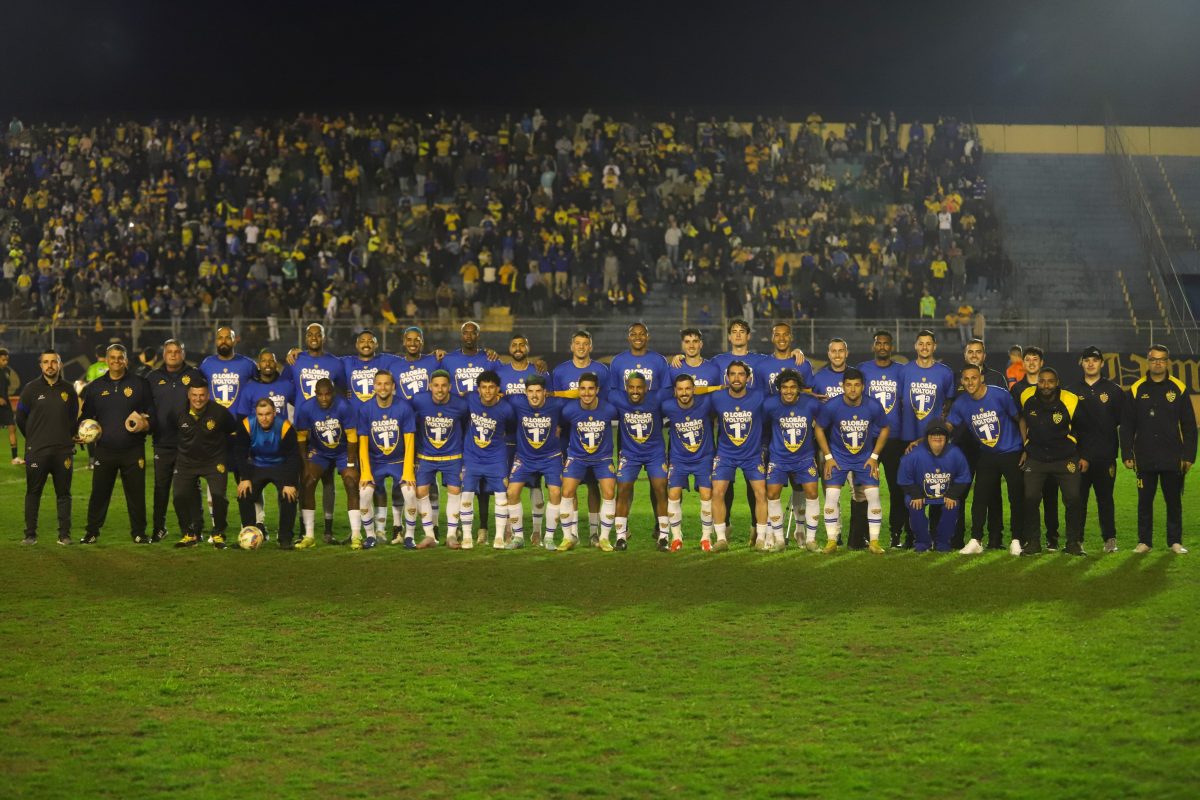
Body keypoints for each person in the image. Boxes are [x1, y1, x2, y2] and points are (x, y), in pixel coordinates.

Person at [1120, 345, 1196, 554]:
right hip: (1144, 456)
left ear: (1167, 361)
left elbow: (1189, 426)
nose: (1158, 363)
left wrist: (1189, 456)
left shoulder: (1178, 388)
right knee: (1144, 502)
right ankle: (1144, 542)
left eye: (1162, 359)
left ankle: (1175, 542)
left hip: (1173, 456)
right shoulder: (1137, 389)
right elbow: (1127, 425)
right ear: (1148, 361)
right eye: (1154, 359)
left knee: (1173, 502)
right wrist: (1127, 453)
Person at [79, 344, 154, 544]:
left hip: (133, 450)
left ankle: (139, 533)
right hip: (105, 450)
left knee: (136, 495)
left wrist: (146, 424)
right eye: (112, 357)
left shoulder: (140, 384)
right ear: (106, 360)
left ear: (126, 360)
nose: (116, 361)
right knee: (99, 494)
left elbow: (152, 413)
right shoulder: (95, 387)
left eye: (120, 357)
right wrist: (82, 431)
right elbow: (86, 416)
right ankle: (91, 532)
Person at [948, 364, 1024, 554]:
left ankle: (1017, 540)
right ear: (961, 381)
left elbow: (1020, 418)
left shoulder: (1000, 394)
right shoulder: (961, 403)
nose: (970, 382)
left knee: (1016, 497)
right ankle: (976, 540)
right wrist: (930, 435)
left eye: (974, 378)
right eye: (966, 379)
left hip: (1011, 451)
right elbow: (949, 425)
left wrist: (1027, 447)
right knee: (980, 497)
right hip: (987, 453)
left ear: (981, 378)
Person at [814, 367, 890, 554]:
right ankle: (832, 541)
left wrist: (874, 456)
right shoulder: (832, 406)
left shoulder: (873, 405)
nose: (853, 389)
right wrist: (828, 457)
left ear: (863, 386)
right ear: (843, 386)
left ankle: (874, 542)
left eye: (857, 385)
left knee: (873, 495)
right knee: (832, 496)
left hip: (864, 458)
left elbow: (885, 428)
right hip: (838, 457)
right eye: (849, 385)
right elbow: (819, 428)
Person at [1018, 367, 1086, 556]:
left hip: (1065, 458)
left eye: (1050, 381)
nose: (1046, 385)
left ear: (1057, 383)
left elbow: (1083, 429)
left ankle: (1073, 543)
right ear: (1037, 382)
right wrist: (1024, 445)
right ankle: (1033, 542)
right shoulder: (1026, 396)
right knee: (1030, 498)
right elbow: (1021, 419)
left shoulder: (1071, 400)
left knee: (1073, 498)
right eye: (1042, 381)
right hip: (1036, 458)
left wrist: (1083, 455)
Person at [550, 330, 609, 546]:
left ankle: (594, 533)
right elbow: (554, 401)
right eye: (578, 343)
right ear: (571, 346)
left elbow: (606, 400)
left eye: (585, 343)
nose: (581, 347)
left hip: (593, 433)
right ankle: (572, 533)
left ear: (590, 346)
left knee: (593, 485)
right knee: (570, 484)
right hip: (567, 433)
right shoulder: (560, 371)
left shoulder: (601, 370)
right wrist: (557, 425)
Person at [898, 329, 956, 547]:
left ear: (934, 347)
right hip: (908, 436)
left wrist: (941, 428)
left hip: (935, 441)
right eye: (921, 343)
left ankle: (935, 535)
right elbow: (900, 400)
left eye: (928, 343)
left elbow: (949, 403)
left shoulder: (945, 372)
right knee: (910, 488)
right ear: (915, 346)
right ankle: (911, 535)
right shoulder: (905, 371)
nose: (924, 347)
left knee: (936, 485)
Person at [145, 339, 206, 543]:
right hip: (162, 442)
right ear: (164, 355)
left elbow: (203, 402)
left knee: (191, 487)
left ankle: (195, 528)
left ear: (183, 354)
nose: (173, 354)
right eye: (169, 351)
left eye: (177, 351)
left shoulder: (195, 375)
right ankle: (159, 528)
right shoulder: (153, 378)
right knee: (161, 487)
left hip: (188, 442)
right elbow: (146, 406)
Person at [15, 349, 78, 545]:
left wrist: (67, 436)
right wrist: (33, 437)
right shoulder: (30, 389)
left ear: (59, 364)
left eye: (54, 362)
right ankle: (30, 535)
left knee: (64, 494)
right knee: (33, 493)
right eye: (46, 362)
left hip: (63, 452)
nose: (50, 365)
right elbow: (20, 417)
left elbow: (73, 417)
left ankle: (64, 535)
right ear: (41, 365)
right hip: (37, 452)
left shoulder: (69, 390)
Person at [1068, 346, 1125, 553]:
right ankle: (1076, 540)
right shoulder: (1071, 391)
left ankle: (1110, 539)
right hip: (1079, 457)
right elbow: (1068, 425)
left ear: (1101, 363)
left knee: (1105, 499)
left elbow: (1121, 421)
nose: (1090, 363)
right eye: (1087, 360)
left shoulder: (1114, 391)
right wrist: (1076, 453)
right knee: (1078, 500)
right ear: (1081, 363)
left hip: (1105, 456)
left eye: (1094, 360)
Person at [709, 361, 769, 552]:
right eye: (733, 374)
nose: (736, 378)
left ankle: (761, 538)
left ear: (748, 378)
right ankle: (721, 539)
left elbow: (785, 397)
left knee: (761, 493)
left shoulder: (759, 396)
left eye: (741, 374)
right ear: (727, 377)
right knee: (717, 493)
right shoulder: (717, 397)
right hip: (726, 454)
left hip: (752, 455)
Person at [294, 378, 361, 548]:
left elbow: (352, 437)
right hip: (320, 451)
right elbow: (301, 438)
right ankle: (309, 536)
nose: (324, 398)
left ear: (333, 393)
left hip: (343, 451)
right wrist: (305, 464)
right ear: (315, 393)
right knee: (308, 481)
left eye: (327, 394)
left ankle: (356, 535)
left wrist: (351, 463)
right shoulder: (306, 407)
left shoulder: (344, 406)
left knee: (351, 482)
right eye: (320, 395)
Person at [557, 372, 618, 551]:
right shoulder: (569, 410)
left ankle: (604, 538)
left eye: (591, 389)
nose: (586, 393)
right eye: (583, 389)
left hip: (602, 458)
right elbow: (559, 426)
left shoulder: (609, 410)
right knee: (566, 491)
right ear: (578, 390)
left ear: (597, 390)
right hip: (577, 457)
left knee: (609, 492)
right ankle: (568, 537)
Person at [762, 369, 822, 552]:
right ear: (779, 389)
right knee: (772, 494)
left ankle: (810, 540)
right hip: (779, 458)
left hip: (805, 457)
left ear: (799, 389)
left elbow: (823, 424)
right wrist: (763, 448)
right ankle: (779, 540)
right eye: (784, 387)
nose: (788, 391)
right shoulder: (770, 405)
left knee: (812, 493)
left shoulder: (811, 404)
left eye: (792, 387)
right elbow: (762, 426)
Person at [172, 381, 237, 548]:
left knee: (218, 496)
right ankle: (190, 533)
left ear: (208, 396)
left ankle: (218, 533)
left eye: (202, 395)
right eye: (194, 395)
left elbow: (232, 430)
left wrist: (223, 453)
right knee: (179, 496)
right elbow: (171, 432)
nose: (198, 399)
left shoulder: (220, 412)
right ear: (189, 395)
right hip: (186, 462)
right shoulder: (178, 411)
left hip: (213, 461)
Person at [356, 370, 416, 550]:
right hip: (376, 462)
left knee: (410, 493)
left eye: (387, 384)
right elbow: (362, 444)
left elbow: (410, 441)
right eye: (379, 384)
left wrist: (408, 471)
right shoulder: (365, 409)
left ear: (393, 386)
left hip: (398, 461)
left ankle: (409, 536)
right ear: (374, 386)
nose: (383, 387)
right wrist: (365, 472)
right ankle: (370, 536)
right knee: (364, 493)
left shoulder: (404, 407)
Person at [857, 330, 906, 549]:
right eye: (879, 343)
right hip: (869, 438)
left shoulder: (901, 371)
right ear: (873, 346)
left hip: (895, 439)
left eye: (886, 343)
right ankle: (865, 534)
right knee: (866, 489)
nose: (882, 347)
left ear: (891, 347)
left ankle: (896, 533)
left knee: (897, 488)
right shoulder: (863, 369)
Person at [505, 374, 565, 550]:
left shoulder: (557, 404)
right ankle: (518, 537)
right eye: (530, 391)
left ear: (545, 392)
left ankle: (549, 537)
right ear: (525, 392)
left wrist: (560, 426)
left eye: (538, 391)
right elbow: (498, 397)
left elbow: (575, 407)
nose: (534, 395)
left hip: (551, 457)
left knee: (555, 492)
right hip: (524, 457)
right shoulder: (517, 402)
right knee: (512, 492)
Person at [410, 370, 468, 548]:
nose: (440, 389)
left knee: (454, 491)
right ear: (430, 386)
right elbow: (411, 424)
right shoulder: (418, 401)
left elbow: (467, 426)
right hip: (426, 456)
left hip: (452, 455)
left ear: (450, 387)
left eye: (443, 385)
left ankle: (451, 535)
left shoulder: (461, 405)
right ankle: (429, 535)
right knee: (420, 491)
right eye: (436, 385)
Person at [612, 372, 669, 550]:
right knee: (622, 489)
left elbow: (680, 392)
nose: (635, 391)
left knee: (661, 489)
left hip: (655, 453)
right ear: (626, 388)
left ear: (646, 388)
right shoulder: (618, 398)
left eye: (639, 387)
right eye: (631, 387)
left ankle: (664, 536)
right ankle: (620, 537)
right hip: (630, 454)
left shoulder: (657, 398)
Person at [234, 399, 301, 549]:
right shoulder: (247, 424)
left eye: (268, 414)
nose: (264, 418)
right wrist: (245, 478)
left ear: (274, 413)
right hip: (257, 465)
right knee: (244, 494)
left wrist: (290, 483)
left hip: (281, 465)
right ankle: (249, 535)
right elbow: (240, 452)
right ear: (256, 414)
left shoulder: (285, 427)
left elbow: (293, 457)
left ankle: (285, 539)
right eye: (260, 414)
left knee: (289, 496)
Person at [1010, 346, 1060, 548]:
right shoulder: (1017, 390)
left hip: (1053, 451)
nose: (1031, 363)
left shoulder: (1052, 386)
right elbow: (1017, 419)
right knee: (1029, 496)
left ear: (1041, 363)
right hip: (1029, 452)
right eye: (1028, 359)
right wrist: (1025, 446)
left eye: (1035, 359)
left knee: (1051, 495)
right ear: (1022, 363)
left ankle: (1052, 538)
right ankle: (1029, 537)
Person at [898, 421, 972, 552]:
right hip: (920, 493)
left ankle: (943, 543)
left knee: (953, 504)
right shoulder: (914, 454)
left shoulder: (955, 453)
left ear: (947, 437)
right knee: (912, 502)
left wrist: (952, 494)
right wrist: (915, 494)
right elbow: (904, 478)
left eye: (941, 434)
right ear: (927, 437)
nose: (937, 437)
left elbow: (963, 476)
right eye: (933, 434)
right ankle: (922, 542)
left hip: (946, 494)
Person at [662, 374, 716, 550]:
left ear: (694, 389)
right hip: (679, 459)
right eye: (680, 389)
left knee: (706, 495)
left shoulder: (705, 403)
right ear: (675, 391)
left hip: (703, 457)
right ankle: (676, 537)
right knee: (673, 494)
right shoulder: (668, 406)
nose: (684, 393)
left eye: (687, 388)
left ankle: (706, 538)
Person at [199, 327, 257, 411]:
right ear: (216, 342)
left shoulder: (248, 364)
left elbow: (260, 389)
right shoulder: (207, 363)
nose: (223, 341)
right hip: (214, 417)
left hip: (240, 417)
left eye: (228, 338)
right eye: (220, 338)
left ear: (235, 341)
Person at [0, 348, 21, 464]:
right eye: (3, 360)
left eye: (7, 360)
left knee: (12, 427)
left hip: (5, 404)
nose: (5, 362)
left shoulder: (6, 371)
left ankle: (15, 457)